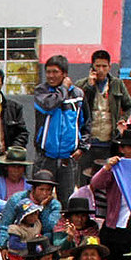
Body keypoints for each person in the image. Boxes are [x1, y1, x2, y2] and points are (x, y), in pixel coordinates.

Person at [30, 55, 84, 196]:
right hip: (45, 157)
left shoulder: (78, 94)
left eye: (55, 72)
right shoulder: (41, 92)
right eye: (48, 72)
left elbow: (85, 122)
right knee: (38, 198)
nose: (50, 76)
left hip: (68, 159)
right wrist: (64, 89)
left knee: (66, 200)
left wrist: (82, 148)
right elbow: (49, 106)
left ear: (65, 74)